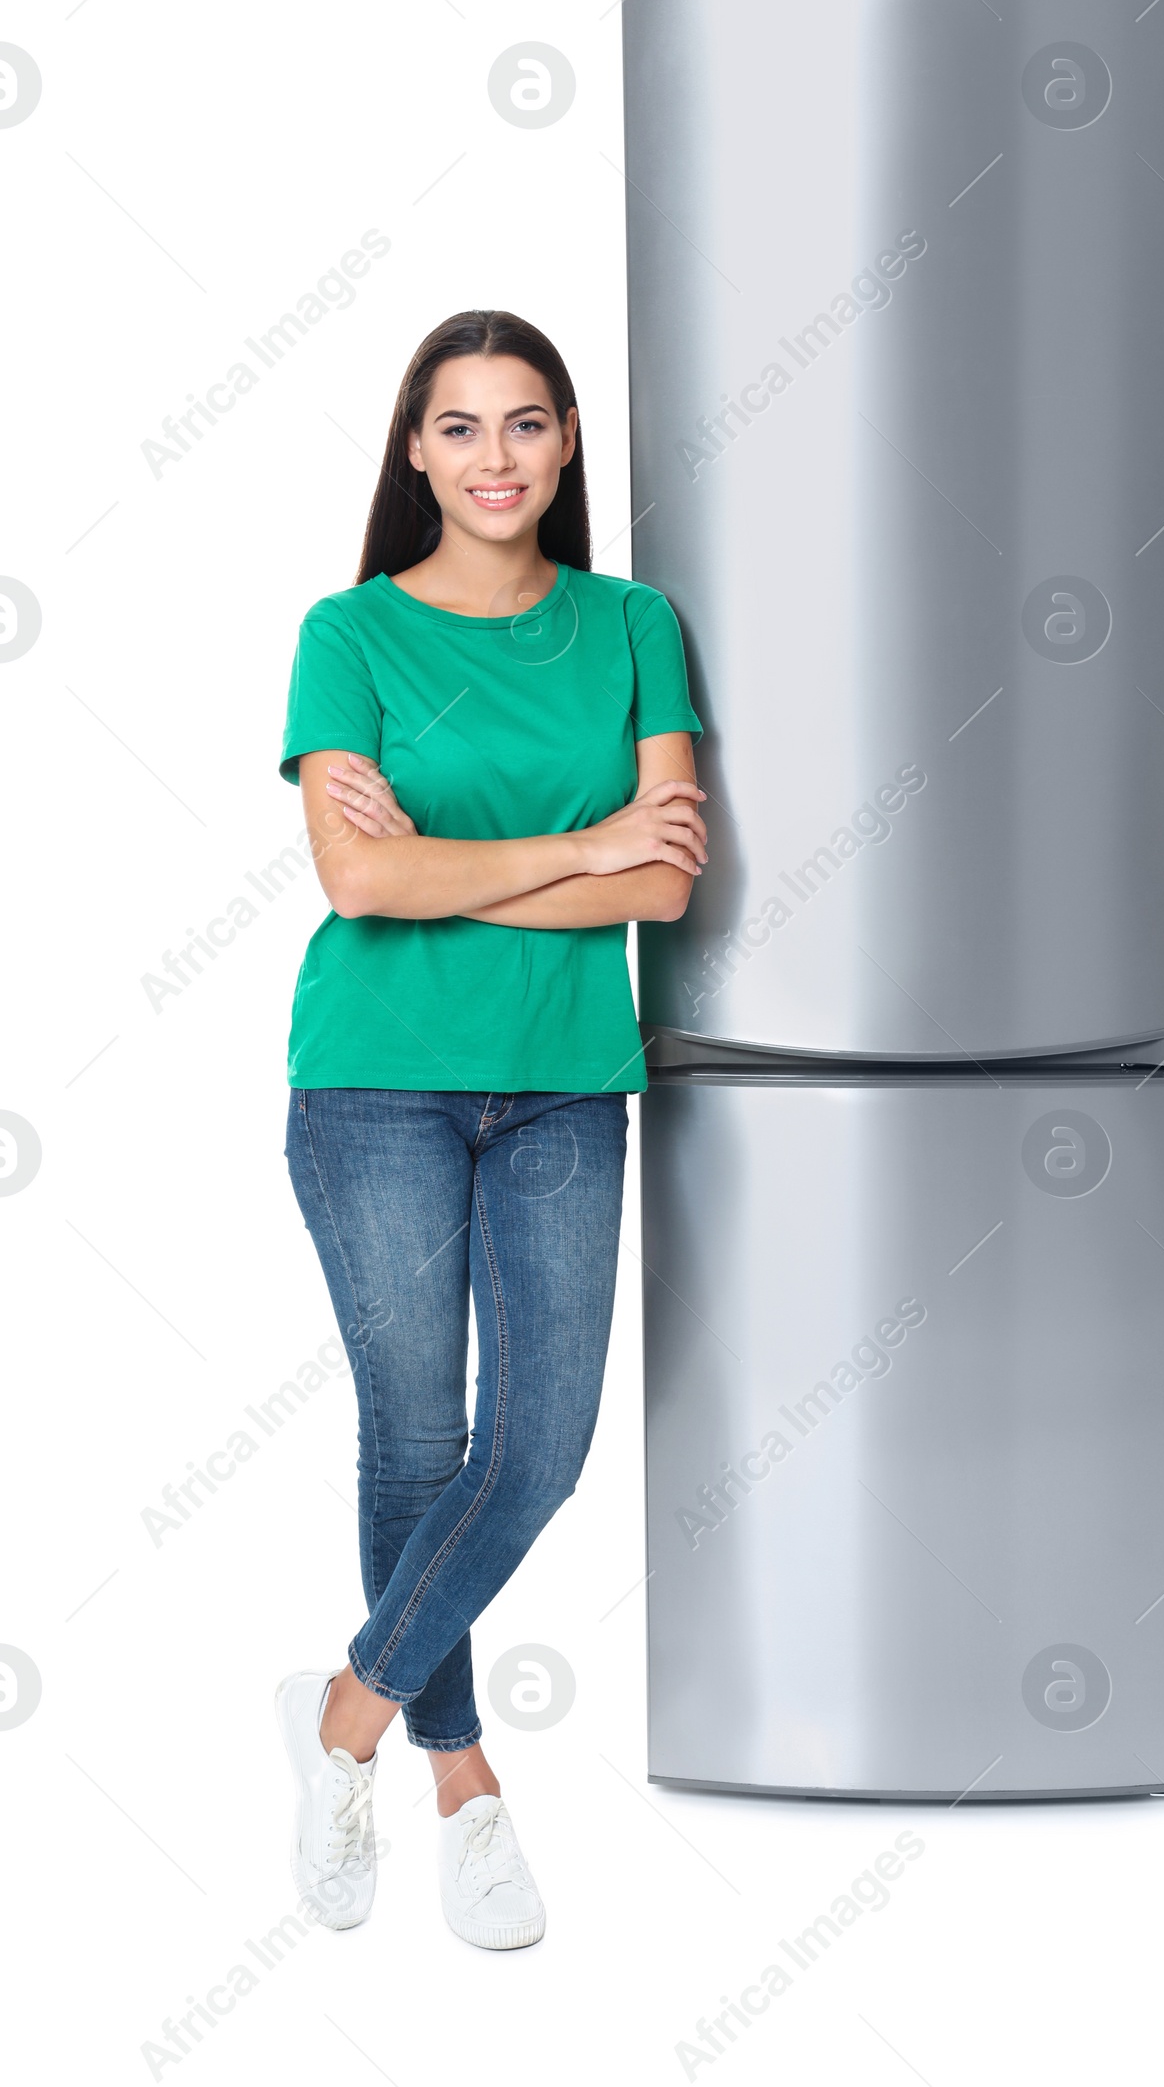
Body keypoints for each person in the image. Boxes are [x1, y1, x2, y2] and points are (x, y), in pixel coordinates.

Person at [274, 309, 705, 1949]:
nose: (497, 459)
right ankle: (464, 1793)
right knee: (415, 1446)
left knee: (538, 1447)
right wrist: (576, 841)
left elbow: (666, 883)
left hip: (568, 1085)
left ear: (570, 442)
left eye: (527, 425)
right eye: (461, 429)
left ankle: (341, 1721)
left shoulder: (633, 625)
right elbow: (359, 883)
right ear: (415, 452)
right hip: (374, 1081)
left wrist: (508, 858)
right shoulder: (350, 634)